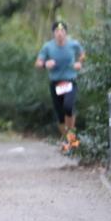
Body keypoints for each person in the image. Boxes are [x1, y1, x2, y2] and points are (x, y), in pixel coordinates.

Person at [35, 20, 85, 153]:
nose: (60, 34)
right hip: (55, 83)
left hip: (69, 81)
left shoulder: (73, 44)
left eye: (62, 31)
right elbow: (38, 63)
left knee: (69, 107)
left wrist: (79, 63)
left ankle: (71, 139)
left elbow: (82, 55)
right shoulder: (48, 47)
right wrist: (46, 64)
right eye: (57, 31)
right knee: (60, 115)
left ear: (66, 33)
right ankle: (68, 140)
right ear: (53, 34)